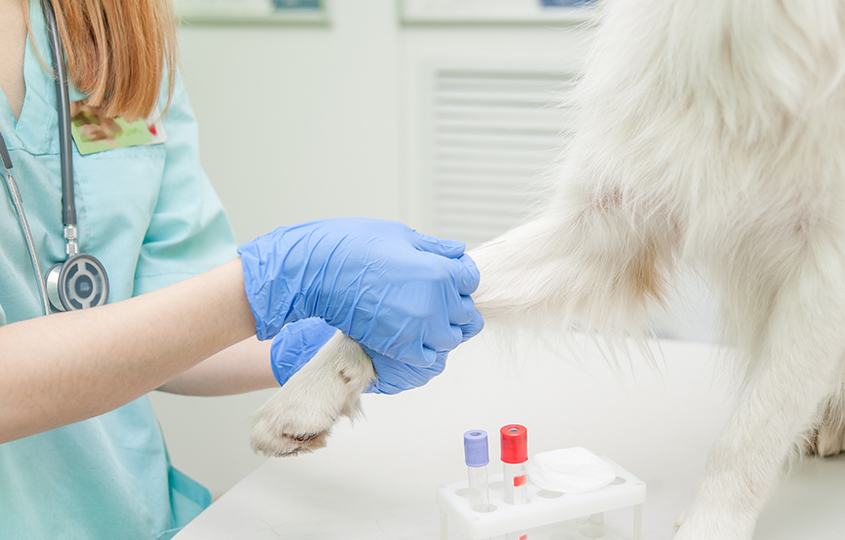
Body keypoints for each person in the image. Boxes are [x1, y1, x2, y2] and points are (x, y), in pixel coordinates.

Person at [0, 0, 483, 538]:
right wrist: (267, 286)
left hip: (136, 515)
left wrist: (313, 345)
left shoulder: (110, 23)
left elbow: (166, 319)